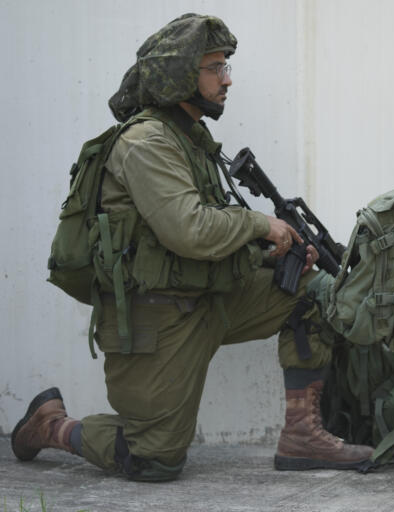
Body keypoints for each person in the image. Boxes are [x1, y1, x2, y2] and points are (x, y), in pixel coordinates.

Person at [11, 13, 371, 481]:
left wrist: (268, 255)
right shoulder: (145, 142)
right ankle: (52, 426)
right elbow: (190, 230)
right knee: (153, 460)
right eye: (215, 68)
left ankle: (303, 434)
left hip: (210, 298)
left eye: (225, 67)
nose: (227, 79)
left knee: (314, 289)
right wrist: (261, 223)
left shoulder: (190, 140)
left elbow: (203, 242)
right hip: (157, 320)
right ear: (180, 74)